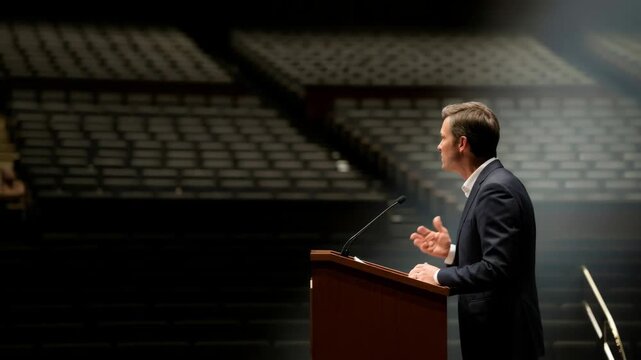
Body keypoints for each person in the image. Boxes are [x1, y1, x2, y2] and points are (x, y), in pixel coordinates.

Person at [408, 102, 544, 360]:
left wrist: (438, 276)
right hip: (499, 337)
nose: (438, 146)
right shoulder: (492, 184)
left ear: (462, 143)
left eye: (442, 138)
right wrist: (450, 253)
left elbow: (498, 268)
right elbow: (499, 259)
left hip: (502, 341)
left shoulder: (496, 190)